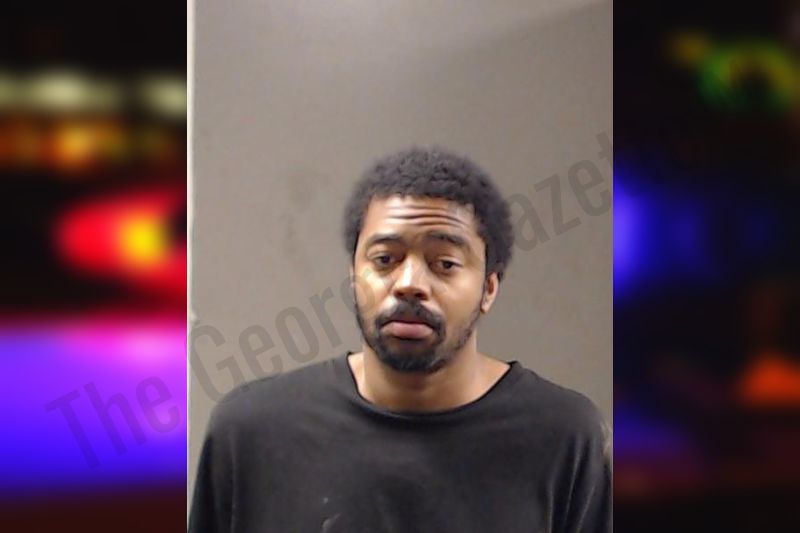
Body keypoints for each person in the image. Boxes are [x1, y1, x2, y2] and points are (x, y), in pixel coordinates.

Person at [189, 147, 611, 532]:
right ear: (354, 277)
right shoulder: (250, 434)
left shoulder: (565, 438)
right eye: (385, 259)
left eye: (444, 263)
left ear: (488, 289)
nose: (409, 283)